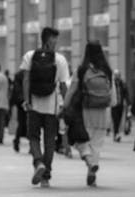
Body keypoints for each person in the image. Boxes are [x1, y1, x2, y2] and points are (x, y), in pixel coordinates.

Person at [21, 27, 70, 188]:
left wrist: (26, 100)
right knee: (50, 140)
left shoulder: (30, 56)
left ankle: (38, 162)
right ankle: (46, 176)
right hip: (52, 107)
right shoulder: (59, 59)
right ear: (50, 40)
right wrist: (67, 105)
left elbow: (26, 80)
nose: (57, 42)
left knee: (33, 137)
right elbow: (63, 86)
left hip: (33, 105)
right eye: (55, 39)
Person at [63, 40, 112, 187]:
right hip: (103, 112)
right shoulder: (107, 70)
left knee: (81, 140)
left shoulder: (82, 70)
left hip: (86, 111)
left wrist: (65, 105)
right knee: (96, 144)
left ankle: (89, 161)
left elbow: (72, 89)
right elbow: (113, 94)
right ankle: (92, 172)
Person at [110, 69, 130, 142]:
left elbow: (126, 94)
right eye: (115, 75)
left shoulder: (122, 84)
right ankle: (116, 134)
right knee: (115, 120)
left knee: (119, 120)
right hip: (113, 105)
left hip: (120, 105)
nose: (117, 76)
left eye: (118, 75)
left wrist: (128, 103)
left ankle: (117, 133)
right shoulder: (112, 84)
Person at [10, 69, 26, 152]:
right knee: (30, 123)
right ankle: (31, 144)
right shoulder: (30, 72)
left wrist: (13, 102)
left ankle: (17, 141)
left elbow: (15, 90)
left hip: (21, 102)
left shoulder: (18, 74)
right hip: (30, 101)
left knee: (21, 123)